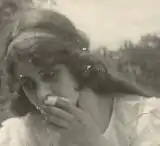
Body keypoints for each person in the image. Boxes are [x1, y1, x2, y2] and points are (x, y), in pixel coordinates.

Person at [0, 3, 160, 146]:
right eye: (29, 84)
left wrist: (92, 142)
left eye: (50, 75)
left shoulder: (145, 119)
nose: (43, 94)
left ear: (79, 68)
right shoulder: (20, 135)